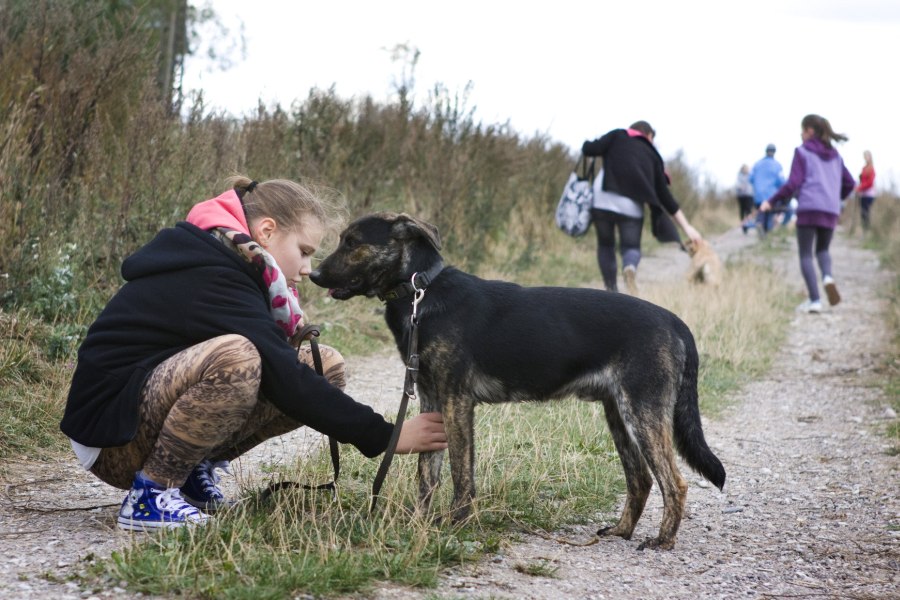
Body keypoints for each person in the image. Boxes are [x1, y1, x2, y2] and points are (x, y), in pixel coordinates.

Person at [60, 176, 448, 531]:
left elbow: (291, 373)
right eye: (304, 251)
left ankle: (192, 472)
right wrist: (385, 435)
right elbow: (283, 376)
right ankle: (152, 494)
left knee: (322, 364)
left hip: (141, 412)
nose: (309, 269)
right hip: (113, 437)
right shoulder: (214, 273)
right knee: (238, 357)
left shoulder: (235, 267)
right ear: (266, 232)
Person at [581, 121, 702, 294]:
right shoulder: (653, 154)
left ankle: (611, 290)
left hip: (602, 200)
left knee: (606, 245)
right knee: (631, 247)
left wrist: (587, 142)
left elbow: (589, 149)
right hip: (631, 206)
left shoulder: (617, 135)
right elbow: (665, 197)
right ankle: (629, 266)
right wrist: (687, 227)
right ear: (649, 135)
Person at [760, 115, 855, 314]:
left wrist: (771, 201)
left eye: (802, 130)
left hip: (809, 208)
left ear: (810, 131)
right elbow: (850, 183)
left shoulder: (802, 152)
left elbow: (792, 184)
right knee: (823, 250)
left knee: (805, 254)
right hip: (830, 209)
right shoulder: (836, 155)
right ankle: (828, 276)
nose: (801, 134)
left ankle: (815, 301)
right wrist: (834, 197)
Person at [749, 143, 785, 237]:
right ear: (774, 152)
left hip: (759, 195)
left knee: (761, 212)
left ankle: (759, 223)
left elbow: (751, 178)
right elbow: (782, 182)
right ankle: (766, 233)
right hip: (771, 195)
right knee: (769, 215)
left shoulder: (757, 164)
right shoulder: (777, 165)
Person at [856, 150, 876, 230]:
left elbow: (870, 183)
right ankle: (864, 230)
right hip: (863, 194)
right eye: (864, 156)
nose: (865, 158)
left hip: (869, 194)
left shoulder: (871, 169)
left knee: (866, 212)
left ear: (870, 157)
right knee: (862, 213)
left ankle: (866, 230)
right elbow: (863, 181)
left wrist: (859, 188)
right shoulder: (864, 168)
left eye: (867, 156)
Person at [735, 164, 755, 233]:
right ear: (742, 169)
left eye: (747, 168)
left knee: (748, 210)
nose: (746, 170)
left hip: (749, 195)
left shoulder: (750, 176)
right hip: (741, 196)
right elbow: (737, 185)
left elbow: (753, 184)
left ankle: (747, 224)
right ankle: (743, 225)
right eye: (745, 168)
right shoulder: (739, 176)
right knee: (742, 210)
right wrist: (740, 187)